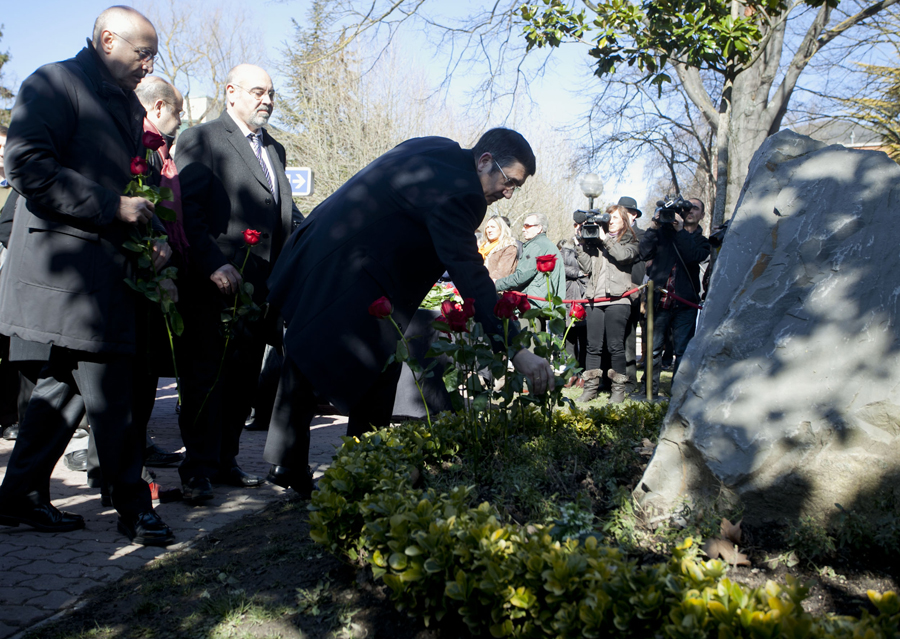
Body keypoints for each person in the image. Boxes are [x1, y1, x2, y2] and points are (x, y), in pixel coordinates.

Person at [263, 128, 556, 497]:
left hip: (316, 251)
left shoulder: (435, 147)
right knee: (380, 368)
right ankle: (362, 473)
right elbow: (470, 274)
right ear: (485, 161)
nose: (508, 193)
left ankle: (288, 462)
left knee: (306, 350)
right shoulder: (464, 193)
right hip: (355, 277)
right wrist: (516, 348)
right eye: (509, 181)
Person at [0, 6, 175, 545]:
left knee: (61, 393)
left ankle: (20, 496)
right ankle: (133, 507)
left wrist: (154, 235)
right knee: (114, 396)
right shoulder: (55, 82)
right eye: (143, 53)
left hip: (107, 276)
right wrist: (111, 207)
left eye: (153, 57)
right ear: (107, 40)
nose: (149, 66)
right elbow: (26, 166)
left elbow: (132, 188)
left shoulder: (124, 102)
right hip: (70, 281)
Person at [174, 63, 300, 503]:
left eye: (271, 93)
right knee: (206, 381)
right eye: (258, 91)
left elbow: (282, 214)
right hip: (214, 288)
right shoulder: (203, 139)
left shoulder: (274, 149)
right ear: (231, 92)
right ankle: (196, 470)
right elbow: (187, 211)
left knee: (242, 382)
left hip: (260, 293)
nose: (267, 100)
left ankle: (225, 461)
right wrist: (213, 264)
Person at [639, 197, 710, 397]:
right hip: (659, 300)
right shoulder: (663, 234)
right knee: (654, 349)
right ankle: (648, 391)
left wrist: (680, 231)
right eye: (686, 208)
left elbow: (693, 256)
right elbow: (643, 253)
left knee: (682, 350)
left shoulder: (702, 241)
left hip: (685, 303)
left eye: (695, 208)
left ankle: (678, 393)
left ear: (702, 215)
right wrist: (654, 226)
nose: (690, 211)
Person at [574, 205, 640, 403]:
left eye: (615, 218)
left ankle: (618, 390)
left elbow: (623, 257)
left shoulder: (631, 241)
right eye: (609, 217)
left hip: (618, 299)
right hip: (595, 298)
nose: (610, 221)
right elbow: (587, 267)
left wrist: (606, 240)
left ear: (624, 221)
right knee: (593, 346)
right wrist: (580, 244)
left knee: (615, 346)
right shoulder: (597, 241)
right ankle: (590, 388)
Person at [495, 213, 565, 309]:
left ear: (539, 228)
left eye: (527, 226)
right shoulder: (548, 245)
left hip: (534, 306)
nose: (523, 229)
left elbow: (521, 276)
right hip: (547, 304)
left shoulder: (536, 246)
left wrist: (496, 284)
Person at [617, 196, 646, 392]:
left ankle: (630, 379)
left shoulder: (642, 236)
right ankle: (611, 377)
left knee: (629, 336)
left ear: (634, 214)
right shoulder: (610, 235)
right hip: (611, 291)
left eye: (625, 212)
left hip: (633, 291)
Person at [558, 237, 587, 383]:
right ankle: (571, 372)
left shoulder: (591, 248)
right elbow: (560, 266)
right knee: (569, 339)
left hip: (585, 294)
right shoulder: (564, 251)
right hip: (568, 295)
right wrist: (578, 272)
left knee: (585, 339)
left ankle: (583, 374)